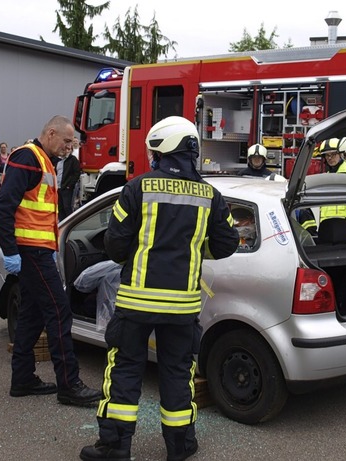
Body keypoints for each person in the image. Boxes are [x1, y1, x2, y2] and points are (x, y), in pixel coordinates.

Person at [80, 116, 238, 461]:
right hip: (182, 307)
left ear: (164, 149)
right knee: (177, 374)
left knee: (124, 371)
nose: (151, 156)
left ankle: (115, 447)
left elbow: (115, 246)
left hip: (136, 303)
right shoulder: (210, 195)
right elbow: (227, 243)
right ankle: (180, 447)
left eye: (154, 150)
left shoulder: (137, 188)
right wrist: (194, 249)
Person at [0, 115, 102, 405]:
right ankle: (69, 384)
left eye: (72, 142)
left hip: (37, 250)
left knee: (32, 314)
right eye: (67, 141)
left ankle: (23, 379)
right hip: (31, 252)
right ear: (51, 133)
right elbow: (4, 207)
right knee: (58, 311)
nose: (69, 147)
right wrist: (12, 251)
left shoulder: (43, 161)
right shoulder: (28, 158)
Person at [56, 143, 81, 221]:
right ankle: (62, 223)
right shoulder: (57, 160)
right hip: (58, 187)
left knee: (67, 207)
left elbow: (77, 173)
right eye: (64, 149)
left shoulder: (73, 160)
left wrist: (70, 185)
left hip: (66, 188)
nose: (66, 151)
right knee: (60, 207)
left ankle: (70, 223)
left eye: (68, 149)